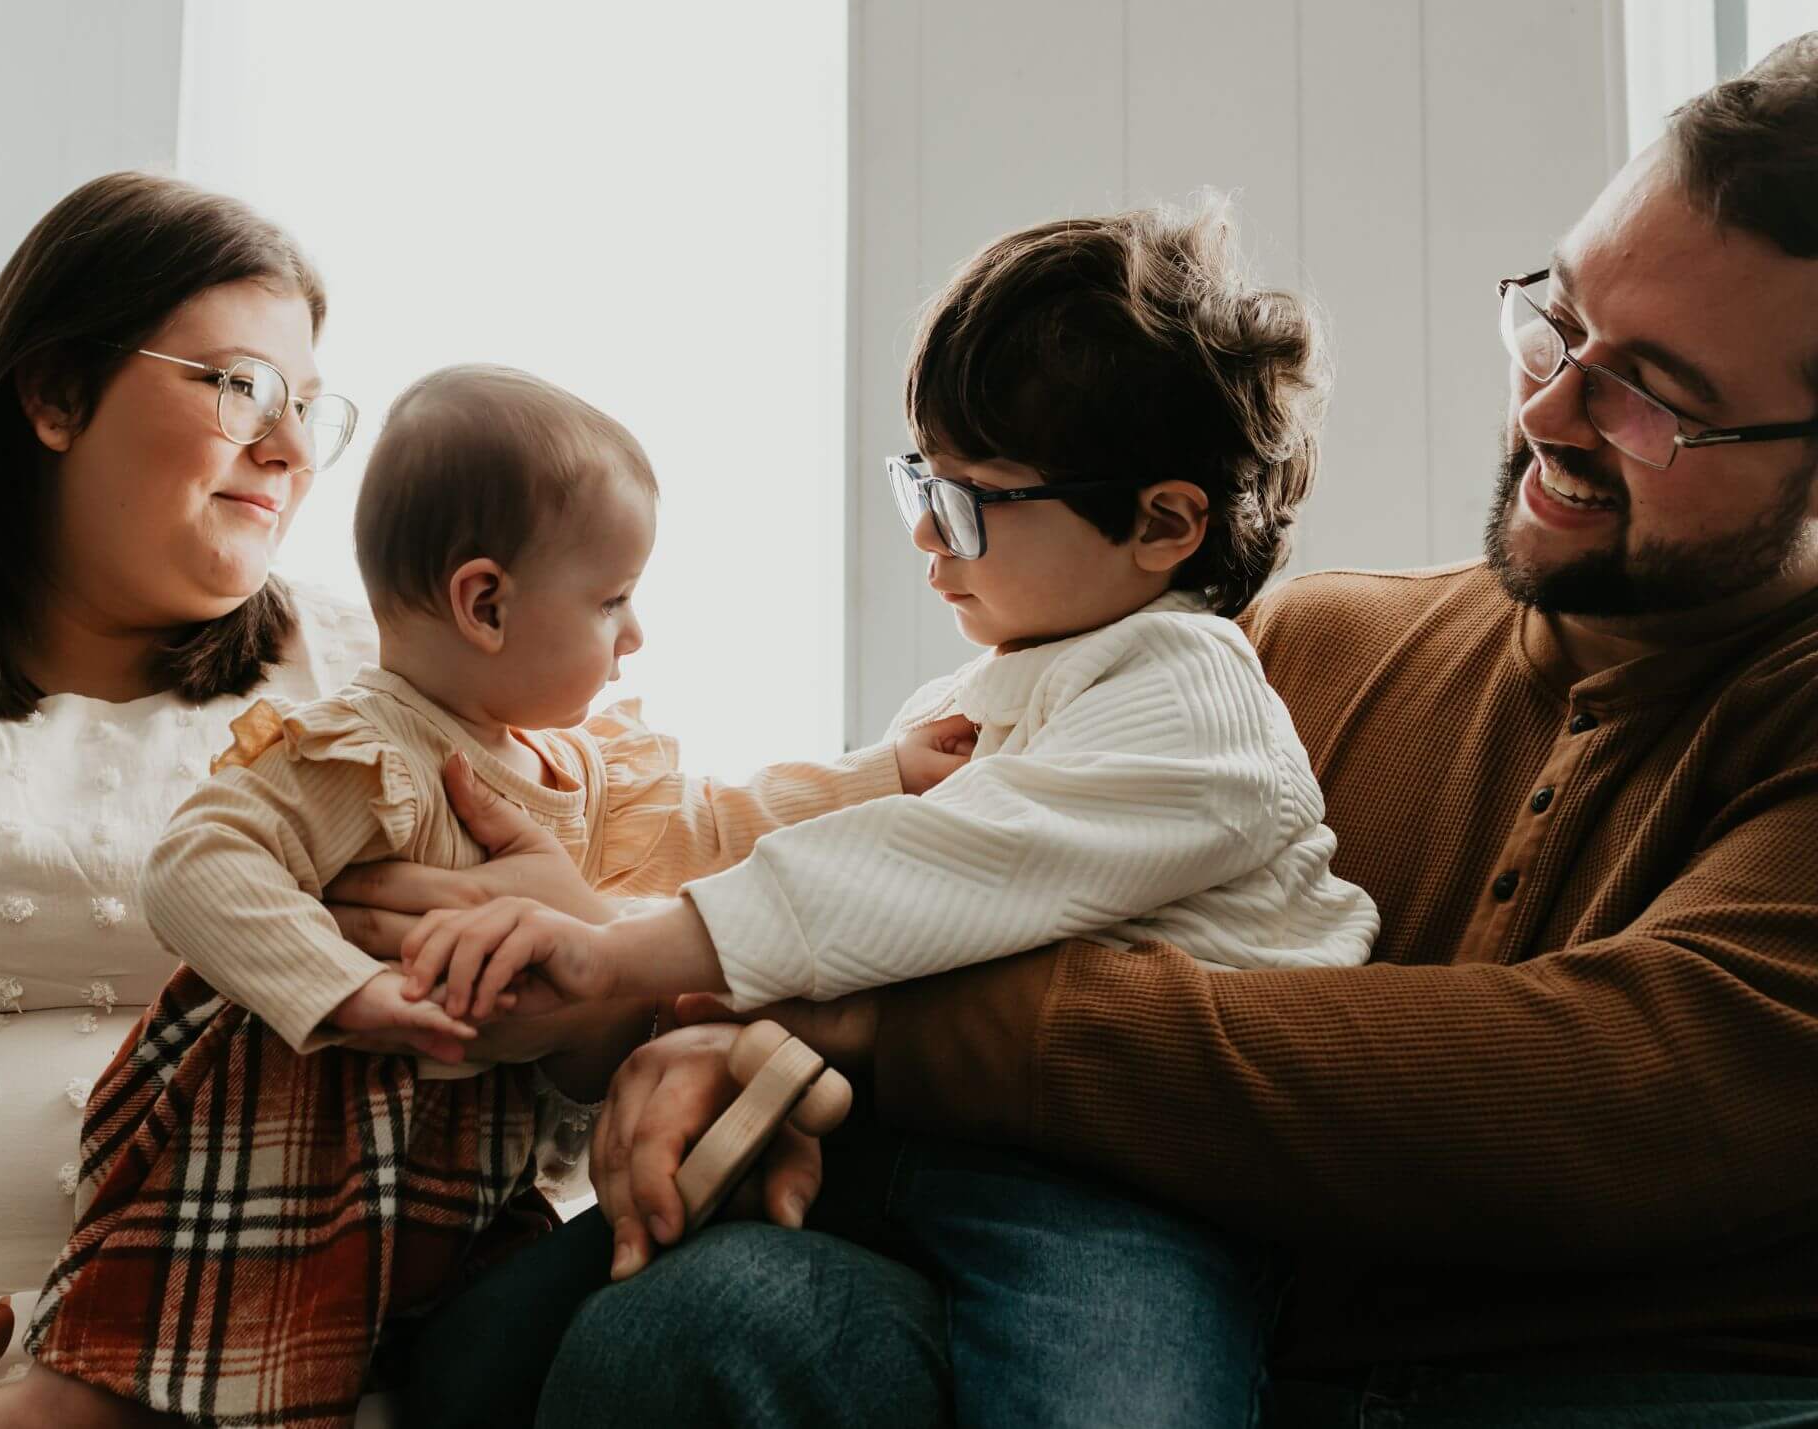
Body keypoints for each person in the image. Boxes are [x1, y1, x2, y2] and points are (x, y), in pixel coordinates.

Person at [424, 35, 1818, 1429]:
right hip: (1230, 1316)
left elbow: (1597, 1092)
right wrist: (737, 1032)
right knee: (691, 1315)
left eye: (1657, 398)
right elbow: (944, 858)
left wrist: (846, 1009)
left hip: (1613, 1385)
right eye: (1552, 321)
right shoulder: (1303, 645)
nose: (1547, 405)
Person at [404, 200, 1378, 1429]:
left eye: (972, 502)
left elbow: (906, 873)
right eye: (919, 479)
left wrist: (605, 944)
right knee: (477, 1351)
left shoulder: (1195, 698)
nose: (925, 531)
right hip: (906, 1130)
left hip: (1127, 1187)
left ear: (1161, 524)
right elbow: (819, 841)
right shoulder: (974, 691)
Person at [0, 365, 968, 1429]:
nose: (634, 636)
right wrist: (345, 991)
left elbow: (716, 821)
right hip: (276, 1155)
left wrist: (881, 774)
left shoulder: (574, 770)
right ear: (483, 603)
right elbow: (197, 867)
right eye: (612, 600)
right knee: (105, 1395)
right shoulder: (361, 753)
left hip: (442, 1186)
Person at [0, 175, 626, 1429]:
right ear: (53, 392)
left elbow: (570, 1070)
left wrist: (574, 949)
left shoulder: (402, 680)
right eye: (241, 385)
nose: (294, 449)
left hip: (329, 1359)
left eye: (310, 407)